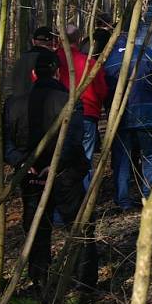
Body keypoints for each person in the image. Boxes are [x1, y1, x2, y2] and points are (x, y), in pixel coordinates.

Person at [3, 51, 99, 299]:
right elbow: (74, 140)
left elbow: (7, 145)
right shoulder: (68, 100)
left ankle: (40, 282)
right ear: (57, 72)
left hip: (33, 175)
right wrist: (54, 165)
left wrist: (24, 164)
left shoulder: (14, 103)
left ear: (34, 74)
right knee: (78, 227)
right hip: (63, 174)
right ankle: (85, 284)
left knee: (37, 230)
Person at [104, 33, 152, 211]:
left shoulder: (111, 59)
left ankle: (123, 200)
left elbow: (105, 87)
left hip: (121, 115)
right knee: (149, 155)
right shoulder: (148, 53)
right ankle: (149, 197)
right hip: (147, 112)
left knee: (122, 158)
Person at [56, 24, 109, 190]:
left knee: (59, 158)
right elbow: (102, 90)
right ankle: (83, 202)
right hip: (87, 115)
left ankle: (61, 206)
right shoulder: (90, 63)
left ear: (60, 39)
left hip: (58, 116)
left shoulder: (52, 61)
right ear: (79, 40)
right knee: (85, 160)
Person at [5, 26, 58, 101]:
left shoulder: (22, 59)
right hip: (48, 106)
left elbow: (11, 85)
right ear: (51, 41)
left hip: (18, 106)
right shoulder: (54, 58)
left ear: (33, 41)